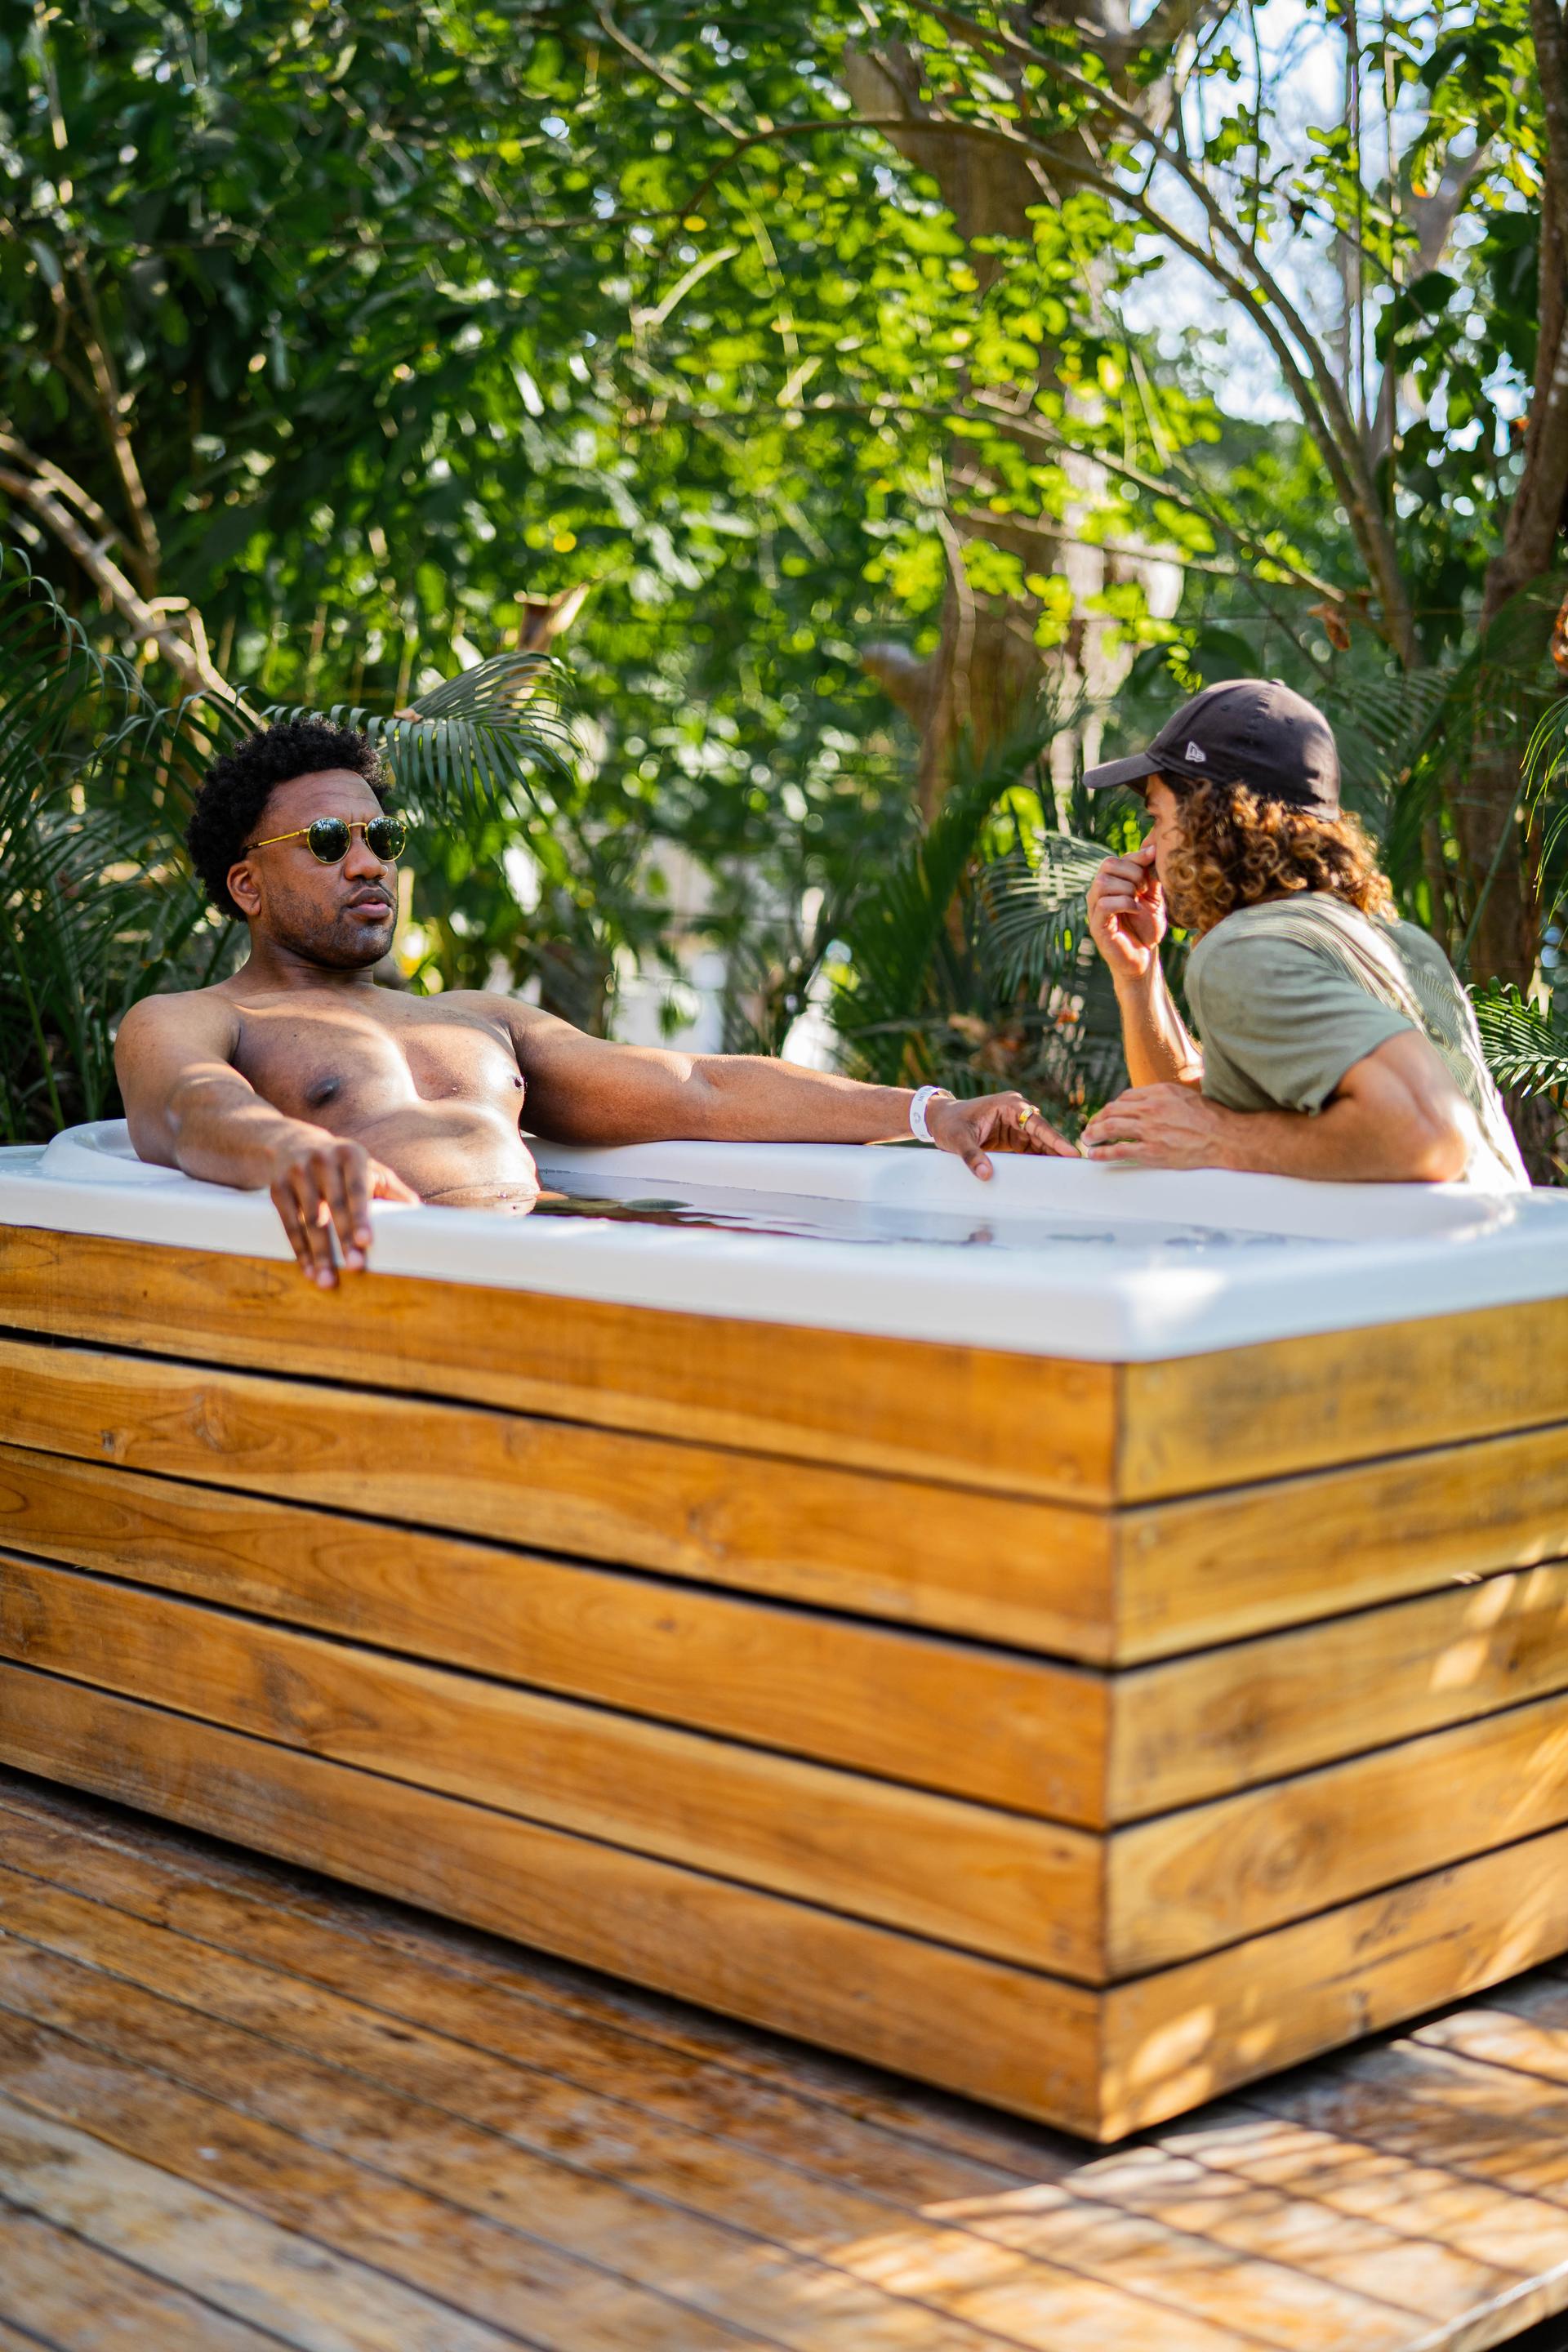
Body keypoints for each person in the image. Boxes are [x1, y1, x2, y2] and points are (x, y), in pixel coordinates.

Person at [117, 723, 1076, 1284]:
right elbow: (190, 1108)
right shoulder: (200, 1017)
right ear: (247, 887)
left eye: (383, 837)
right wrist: (297, 1149)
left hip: (550, 1266)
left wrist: (927, 1112)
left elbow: (694, 1085)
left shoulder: (473, 1016)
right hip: (395, 1285)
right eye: (329, 840)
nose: (367, 862)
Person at [1077, 679, 1529, 1189]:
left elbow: (1432, 1132)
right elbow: (1195, 1120)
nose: (1149, 845)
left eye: (1158, 816)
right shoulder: (1399, 943)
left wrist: (1220, 1140)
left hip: (1438, 1267)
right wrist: (1139, 978)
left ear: (1210, 816)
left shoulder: (1242, 952)